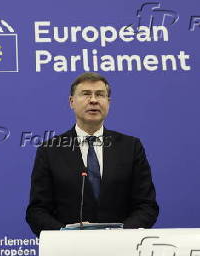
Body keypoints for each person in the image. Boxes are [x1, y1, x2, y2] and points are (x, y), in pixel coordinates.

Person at [25, 72, 159, 236]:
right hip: (70, 250)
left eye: (100, 95)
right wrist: (64, 233)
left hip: (121, 250)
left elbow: (146, 206)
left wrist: (121, 233)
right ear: (71, 102)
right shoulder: (50, 150)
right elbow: (37, 211)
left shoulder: (130, 147)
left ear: (108, 103)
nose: (94, 100)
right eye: (86, 94)